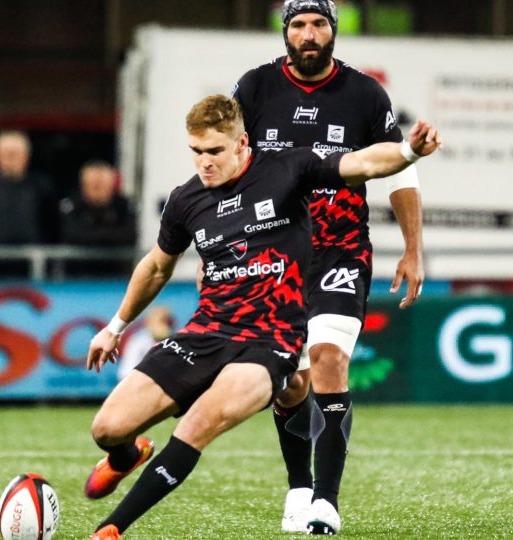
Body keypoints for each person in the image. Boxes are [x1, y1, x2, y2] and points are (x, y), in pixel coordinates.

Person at [83, 95, 439, 539]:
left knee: (196, 426)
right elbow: (157, 266)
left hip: (270, 340)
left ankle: (111, 529)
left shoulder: (288, 169)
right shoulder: (185, 201)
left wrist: (408, 152)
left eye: (215, 151)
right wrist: (115, 327)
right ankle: (124, 456)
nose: (204, 162)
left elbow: (361, 164)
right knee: (106, 428)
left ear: (242, 143)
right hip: (205, 333)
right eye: (196, 151)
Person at [231, 0, 426, 533]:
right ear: (286, 33)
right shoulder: (253, 89)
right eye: (299, 25)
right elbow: (229, 167)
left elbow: (400, 172)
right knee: (288, 384)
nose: (309, 34)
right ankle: (298, 486)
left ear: (333, 31)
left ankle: (326, 500)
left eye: (319, 24)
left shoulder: (364, 94)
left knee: (327, 360)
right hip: (273, 257)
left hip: (341, 251)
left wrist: (413, 248)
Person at [0, 131, 56, 246]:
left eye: (14, 154)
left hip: (32, 259)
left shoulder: (41, 186)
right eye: (6, 154)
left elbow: (52, 225)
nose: (10, 159)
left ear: (26, 157)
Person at [59, 160, 137, 275]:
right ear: (83, 185)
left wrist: (90, 236)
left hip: (117, 277)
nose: (98, 190)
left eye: (101, 185)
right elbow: (71, 235)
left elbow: (129, 235)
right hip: (78, 278)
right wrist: (110, 237)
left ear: (111, 185)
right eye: (93, 185)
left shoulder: (124, 206)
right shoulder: (71, 206)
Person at [117, 306, 174, 380]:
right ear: (149, 322)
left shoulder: (176, 341)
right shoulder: (139, 342)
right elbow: (125, 374)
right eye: (161, 321)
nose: (164, 326)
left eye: (166, 322)